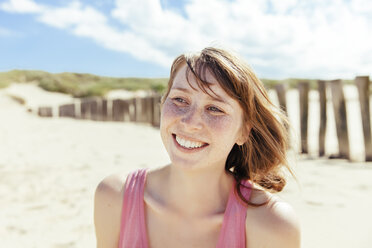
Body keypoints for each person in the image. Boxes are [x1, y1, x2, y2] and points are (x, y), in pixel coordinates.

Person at [94, 47, 301, 248]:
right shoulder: (114, 196)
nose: (190, 122)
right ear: (163, 104)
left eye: (215, 108)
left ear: (244, 131)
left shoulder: (272, 224)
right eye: (179, 100)